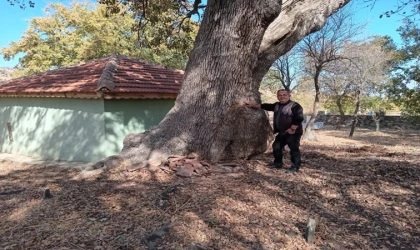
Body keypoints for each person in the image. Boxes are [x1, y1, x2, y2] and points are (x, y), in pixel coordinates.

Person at [245, 89, 304, 173]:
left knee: (294, 149)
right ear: (277, 96)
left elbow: (299, 118)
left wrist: (292, 129)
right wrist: (252, 105)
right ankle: (278, 164)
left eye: (284, 95)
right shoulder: (277, 105)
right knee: (276, 147)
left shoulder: (295, 106)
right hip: (282, 133)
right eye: (280, 95)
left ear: (289, 95)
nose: (282, 96)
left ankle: (295, 167)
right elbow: (265, 106)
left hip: (293, 133)